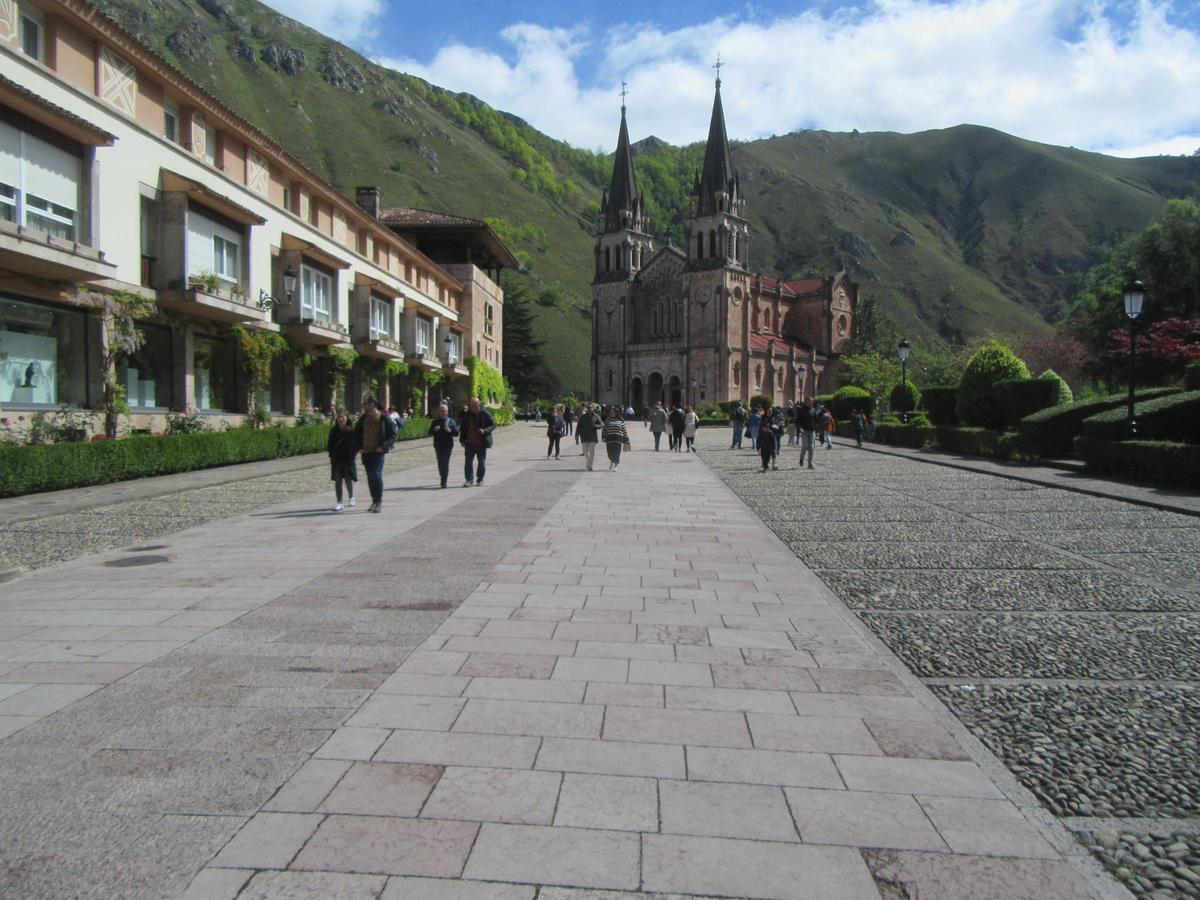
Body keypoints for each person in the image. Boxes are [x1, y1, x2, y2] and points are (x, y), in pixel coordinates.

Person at [354, 396, 397, 512]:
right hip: (366, 452)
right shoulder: (364, 418)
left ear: (373, 404)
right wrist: (359, 447)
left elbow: (393, 434)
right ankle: (374, 501)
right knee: (370, 477)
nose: (364, 405)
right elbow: (356, 433)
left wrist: (383, 447)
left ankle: (378, 501)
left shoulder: (384, 417)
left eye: (366, 403)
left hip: (378, 453)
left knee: (376, 475)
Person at [459, 396, 495, 486]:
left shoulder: (485, 414)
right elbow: (463, 428)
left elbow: (493, 425)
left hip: (481, 442)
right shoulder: (467, 415)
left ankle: (480, 479)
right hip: (469, 442)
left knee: (481, 462)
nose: (473, 407)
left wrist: (484, 430)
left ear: (479, 404)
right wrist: (462, 440)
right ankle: (469, 480)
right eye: (471, 405)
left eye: (475, 405)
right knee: (468, 462)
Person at [326, 409, 359, 511]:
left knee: (348, 479)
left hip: (348, 459)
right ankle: (339, 502)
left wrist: (352, 456)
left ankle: (351, 497)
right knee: (338, 481)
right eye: (339, 417)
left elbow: (355, 445)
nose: (340, 419)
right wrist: (331, 455)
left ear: (347, 418)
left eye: (343, 417)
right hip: (337, 459)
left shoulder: (351, 431)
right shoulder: (333, 431)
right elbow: (330, 445)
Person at [427, 402, 459, 488]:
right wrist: (434, 430)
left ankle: (443, 481)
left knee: (445, 462)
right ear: (438, 412)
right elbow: (429, 433)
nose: (443, 412)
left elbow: (456, 433)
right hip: (438, 445)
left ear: (447, 412)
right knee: (440, 462)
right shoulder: (435, 422)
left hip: (448, 445)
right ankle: (442, 476)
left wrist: (450, 431)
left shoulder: (451, 421)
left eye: (444, 411)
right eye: (441, 411)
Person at [602, 406, 631, 471]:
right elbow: (604, 429)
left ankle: (616, 465)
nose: (611, 413)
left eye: (613, 412)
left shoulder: (621, 420)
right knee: (609, 453)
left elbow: (624, 430)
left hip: (618, 439)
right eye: (611, 412)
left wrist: (627, 439)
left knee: (617, 452)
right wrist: (603, 437)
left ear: (616, 413)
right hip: (609, 439)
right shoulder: (608, 420)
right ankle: (612, 461)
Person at [576, 402, 602, 471]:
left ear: (592, 408)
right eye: (587, 408)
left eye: (590, 407)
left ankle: (590, 466)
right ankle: (589, 461)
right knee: (585, 451)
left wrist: (595, 426)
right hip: (584, 436)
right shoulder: (583, 416)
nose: (589, 409)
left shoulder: (596, 416)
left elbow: (601, 425)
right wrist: (576, 435)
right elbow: (579, 426)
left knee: (592, 452)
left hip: (593, 437)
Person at [797, 397, 816, 469]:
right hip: (804, 430)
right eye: (809, 401)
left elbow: (815, 420)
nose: (810, 402)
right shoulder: (801, 410)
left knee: (811, 447)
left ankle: (810, 463)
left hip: (812, 430)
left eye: (811, 401)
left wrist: (817, 430)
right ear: (805, 402)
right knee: (805, 446)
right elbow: (798, 421)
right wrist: (800, 428)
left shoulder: (813, 409)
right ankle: (801, 458)